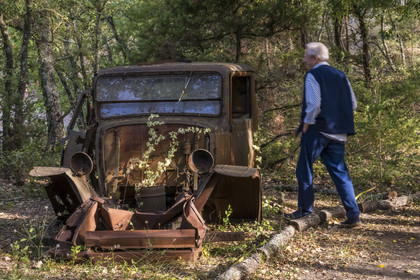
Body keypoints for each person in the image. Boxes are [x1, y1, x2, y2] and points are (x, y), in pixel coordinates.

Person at [284, 42, 361, 227]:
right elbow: (353, 104)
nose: (303, 60)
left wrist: (306, 124)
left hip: (317, 131)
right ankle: (353, 215)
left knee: (304, 169)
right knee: (341, 174)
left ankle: (304, 211)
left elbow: (313, 104)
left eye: (305, 56)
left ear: (315, 58)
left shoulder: (313, 75)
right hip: (338, 133)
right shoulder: (341, 75)